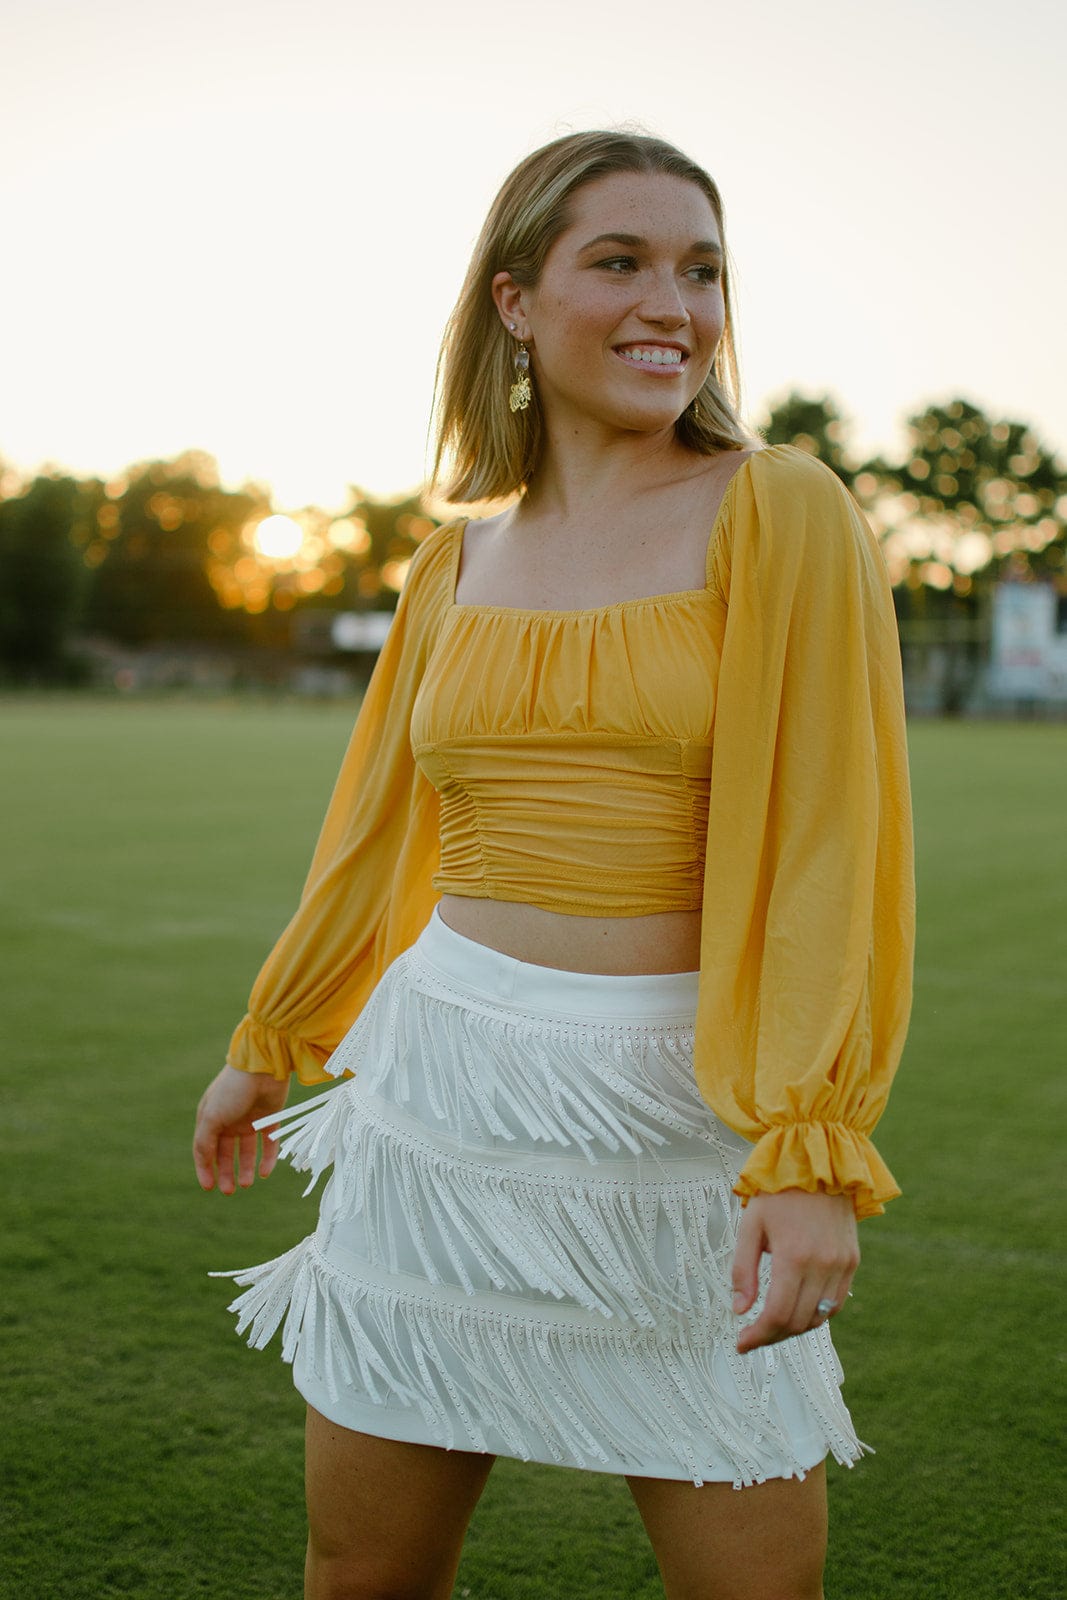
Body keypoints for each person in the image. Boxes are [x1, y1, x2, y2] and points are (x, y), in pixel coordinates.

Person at [193, 129, 914, 1600]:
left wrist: (811, 1139)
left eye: (703, 270)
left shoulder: (780, 507)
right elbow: (379, 824)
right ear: (516, 302)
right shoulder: (455, 557)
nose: (676, 303)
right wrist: (277, 1038)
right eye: (623, 261)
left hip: (679, 1122)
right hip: (439, 1099)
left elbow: (837, 840)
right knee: (362, 1575)